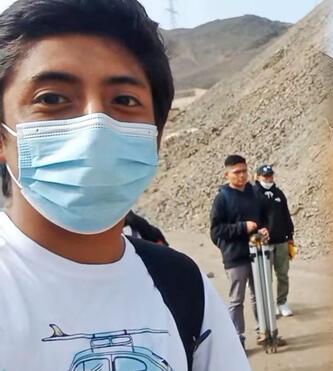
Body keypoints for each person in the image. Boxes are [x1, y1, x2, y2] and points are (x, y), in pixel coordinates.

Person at [0, 1, 249, 370]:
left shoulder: (183, 285)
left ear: (156, 137)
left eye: (124, 100)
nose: (95, 127)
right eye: (51, 99)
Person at [210, 155, 271, 348]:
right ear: (226, 174)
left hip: (257, 253)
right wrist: (242, 228)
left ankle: (264, 332)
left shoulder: (254, 193)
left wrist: (263, 229)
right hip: (235, 257)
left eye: (244, 171)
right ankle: (237, 340)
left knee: (259, 294)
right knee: (237, 300)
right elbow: (216, 231)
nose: (242, 175)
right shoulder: (222, 198)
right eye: (237, 172)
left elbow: (262, 218)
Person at [253, 164, 296, 317]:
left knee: (283, 274)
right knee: (266, 276)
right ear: (257, 177)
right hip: (264, 243)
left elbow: (286, 216)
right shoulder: (253, 194)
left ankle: (282, 302)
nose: (268, 179)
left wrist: (290, 236)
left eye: (270, 176)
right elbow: (252, 218)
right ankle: (268, 305)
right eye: (265, 176)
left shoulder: (278, 193)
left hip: (281, 241)